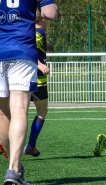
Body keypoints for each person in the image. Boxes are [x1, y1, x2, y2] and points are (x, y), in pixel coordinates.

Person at [0, 1, 57, 184]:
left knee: (2, 113)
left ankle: (14, 166)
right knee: (19, 109)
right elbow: (50, 13)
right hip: (22, 50)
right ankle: (13, 170)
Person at [23, 8, 53, 157]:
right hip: (37, 79)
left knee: (16, 112)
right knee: (42, 111)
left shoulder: (27, 30)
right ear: (42, 19)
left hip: (21, 77)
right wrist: (40, 64)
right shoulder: (39, 33)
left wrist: (46, 48)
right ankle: (31, 145)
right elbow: (28, 50)